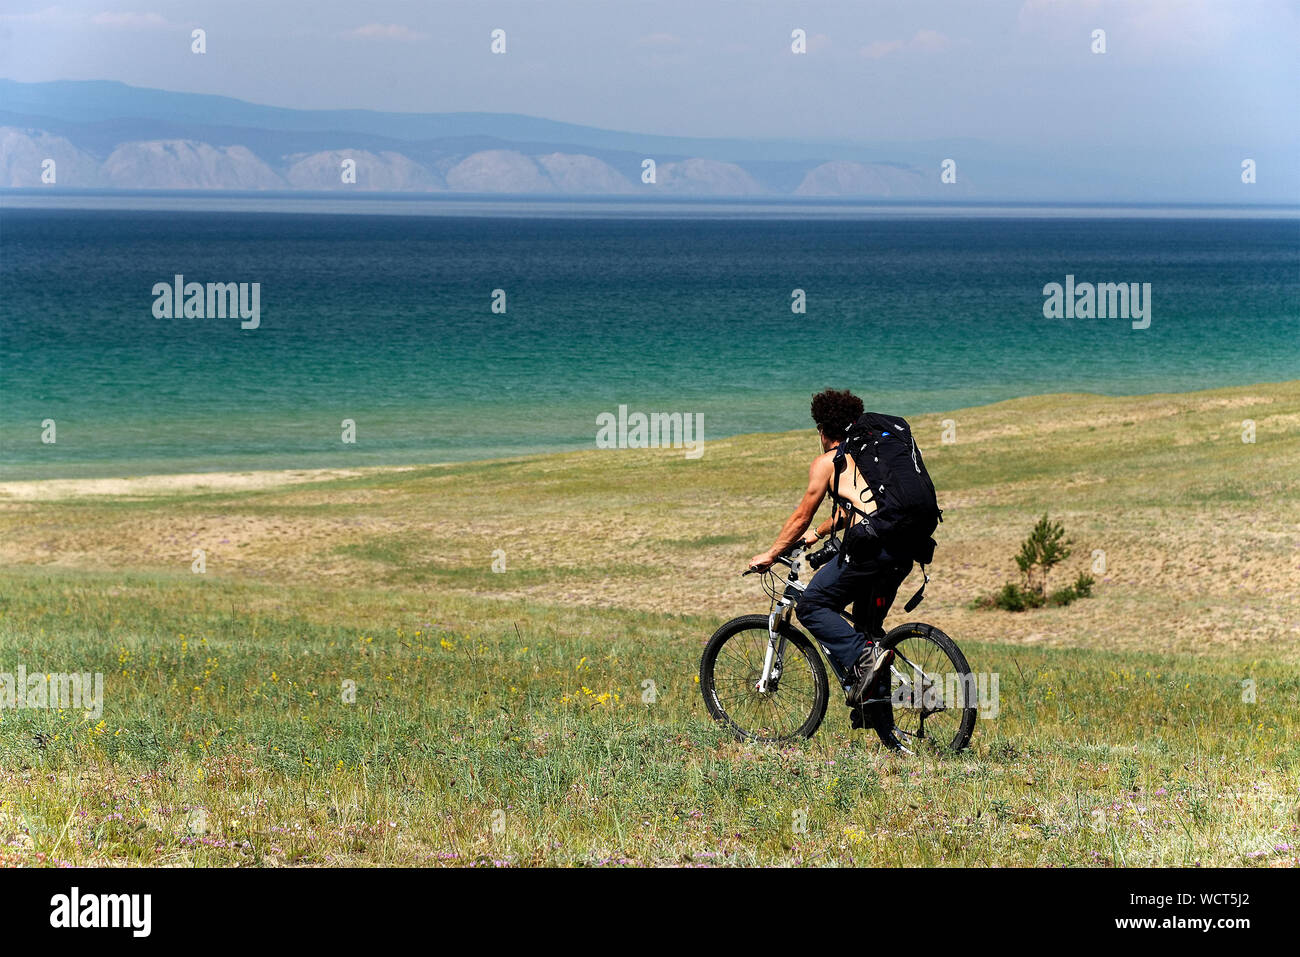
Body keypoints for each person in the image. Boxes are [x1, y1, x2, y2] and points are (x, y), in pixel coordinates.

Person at [746, 389, 914, 712]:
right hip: (902, 551)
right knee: (867, 631)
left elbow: (800, 515)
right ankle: (877, 710)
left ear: (823, 431)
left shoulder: (827, 463)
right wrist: (818, 534)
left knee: (811, 606)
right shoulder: (867, 458)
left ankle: (866, 657)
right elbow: (857, 507)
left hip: (872, 553)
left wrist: (771, 553)